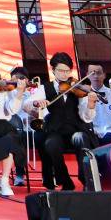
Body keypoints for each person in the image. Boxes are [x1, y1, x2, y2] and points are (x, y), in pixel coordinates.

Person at [36, 53, 86, 191]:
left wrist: (89, 103)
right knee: (51, 144)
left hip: (75, 129)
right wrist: (36, 103)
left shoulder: (77, 87)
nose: (65, 74)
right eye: (61, 70)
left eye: (67, 71)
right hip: (55, 130)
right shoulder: (44, 88)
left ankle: (86, 178)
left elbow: (86, 116)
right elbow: (28, 104)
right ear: (53, 70)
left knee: (81, 138)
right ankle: (65, 180)